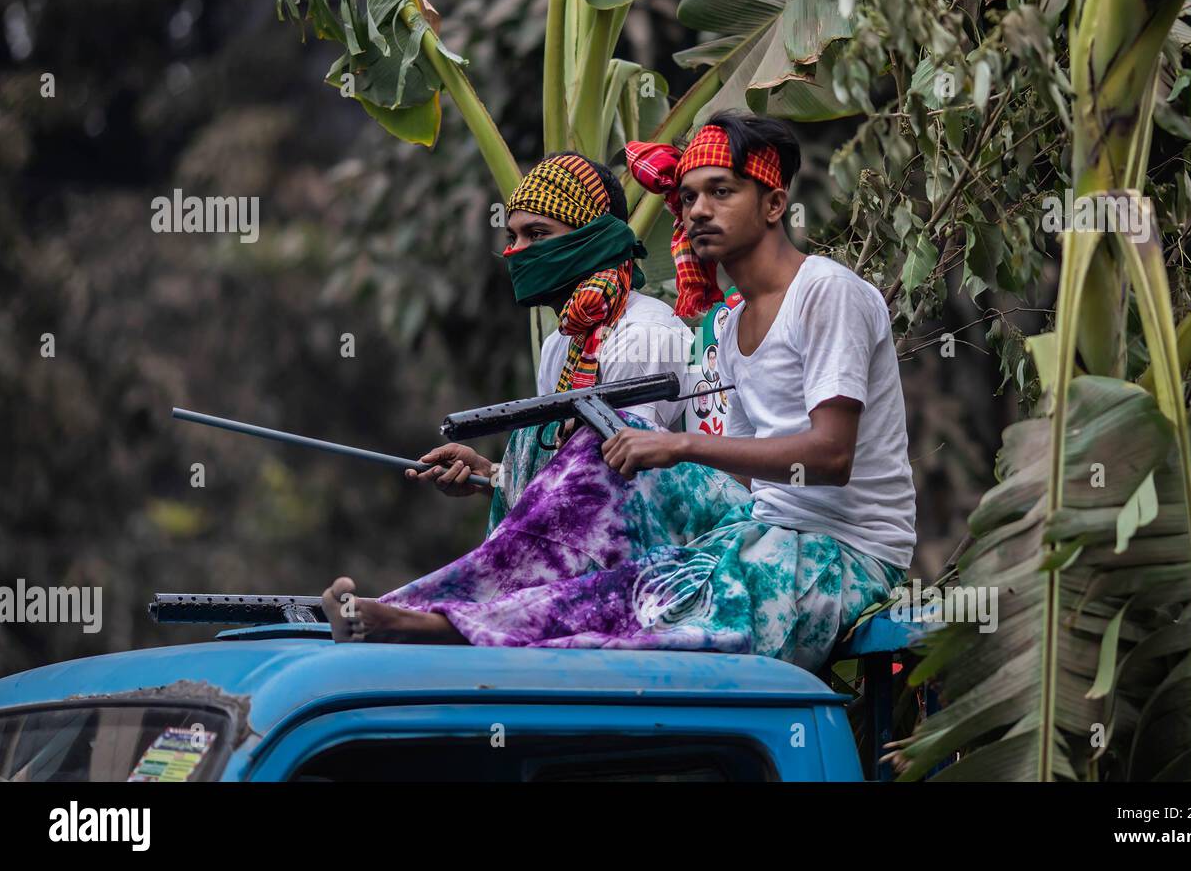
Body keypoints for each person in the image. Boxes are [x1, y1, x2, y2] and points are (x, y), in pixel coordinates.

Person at [322, 113, 915, 672]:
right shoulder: (731, 325)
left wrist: (675, 448)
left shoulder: (826, 293)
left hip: (844, 556)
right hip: (761, 530)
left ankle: (427, 625)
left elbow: (832, 459)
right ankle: (420, 616)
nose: (698, 212)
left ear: (775, 204)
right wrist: (504, 479)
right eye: (687, 198)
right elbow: (743, 483)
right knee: (619, 590)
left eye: (722, 192)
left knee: (645, 604)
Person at [404, 151, 694, 532]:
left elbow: (621, 489)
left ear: (595, 238)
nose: (516, 251)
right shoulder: (561, 344)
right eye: (512, 236)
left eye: (537, 234)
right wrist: (492, 477)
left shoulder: (642, 335)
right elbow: (565, 483)